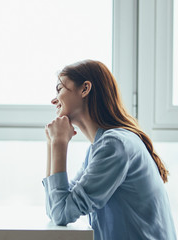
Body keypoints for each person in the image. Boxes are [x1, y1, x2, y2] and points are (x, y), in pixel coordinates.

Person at [43, 60, 176, 240]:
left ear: (85, 89)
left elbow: (61, 213)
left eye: (60, 89)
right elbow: (55, 208)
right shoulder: (100, 149)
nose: (54, 100)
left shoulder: (114, 145)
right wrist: (52, 143)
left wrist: (59, 143)